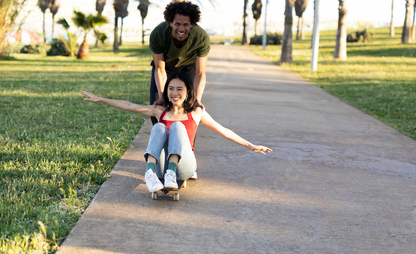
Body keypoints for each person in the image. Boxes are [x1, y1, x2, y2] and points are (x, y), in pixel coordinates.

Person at [80, 71, 272, 193]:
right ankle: (149, 173)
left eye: (179, 89)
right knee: (159, 126)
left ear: (187, 92)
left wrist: (251, 145)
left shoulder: (196, 113)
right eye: (171, 89)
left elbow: (223, 130)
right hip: (159, 166)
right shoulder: (159, 111)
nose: (174, 93)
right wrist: (100, 99)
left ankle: (172, 174)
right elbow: (129, 105)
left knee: (178, 126)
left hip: (185, 167)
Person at [149, 1, 210, 124]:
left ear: (192, 24)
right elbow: (160, 69)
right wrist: (162, 98)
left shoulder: (201, 37)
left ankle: (187, 142)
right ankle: (162, 140)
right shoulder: (158, 34)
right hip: (165, 66)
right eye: (177, 24)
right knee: (158, 109)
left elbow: (200, 73)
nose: (181, 29)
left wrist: (197, 100)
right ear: (170, 23)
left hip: (189, 66)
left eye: (186, 24)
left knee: (190, 108)